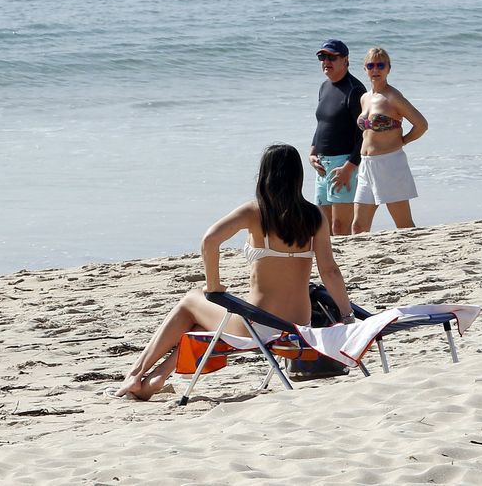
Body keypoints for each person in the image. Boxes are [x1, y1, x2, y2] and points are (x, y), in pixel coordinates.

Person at [115, 144, 353, 401]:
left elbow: (209, 241)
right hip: (297, 326)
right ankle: (157, 378)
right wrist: (346, 314)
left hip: (257, 326)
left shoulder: (255, 211)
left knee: (191, 301)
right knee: (199, 319)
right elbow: (329, 270)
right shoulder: (315, 215)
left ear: (265, 176)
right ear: (298, 176)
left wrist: (213, 287)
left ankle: (135, 374)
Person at [351, 47, 428, 234]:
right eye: (371, 65)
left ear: (388, 69)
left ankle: (414, 256)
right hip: (366, 165)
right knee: (358, 226)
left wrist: (403, 141)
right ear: (365, 69)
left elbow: (421, 124)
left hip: (390, 164)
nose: (375, 69)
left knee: (404, 224)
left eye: (380, 65)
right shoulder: (364, 98)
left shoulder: (393, 97)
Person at [310, 39, 366, 236]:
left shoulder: (355, 90)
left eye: (332, 57)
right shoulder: (324, 87)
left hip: (344, 164)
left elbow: (365, 134)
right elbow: (322, 123)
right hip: (322, 166)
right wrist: (312, 151)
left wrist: (349, 167)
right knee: (324, 227)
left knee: (340, 227)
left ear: (346, 60)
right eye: (322, 57)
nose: (326, 61)